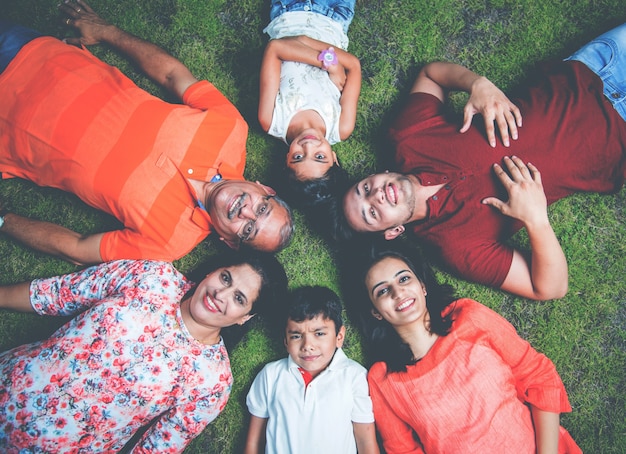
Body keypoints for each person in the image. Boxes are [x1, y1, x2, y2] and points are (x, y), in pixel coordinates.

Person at [338, 23, 626, 300]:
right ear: (394, 232)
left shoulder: (406, 138)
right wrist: (536, 219)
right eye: (371, 214)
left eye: (364, 189)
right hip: (618, 142)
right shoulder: (456, 247)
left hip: (596, 67)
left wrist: (478, 84)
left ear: (378, 174)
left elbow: (430, 74)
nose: (375, 196)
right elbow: (550, 288)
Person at [0, 0, 294, 265]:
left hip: (8, 138)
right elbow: (172, 75)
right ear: (265, 189)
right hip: (37, 58)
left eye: (248, 229)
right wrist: (106, 31)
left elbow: (79, 248)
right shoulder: (231, 129)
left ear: (230, 242)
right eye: (262, 208)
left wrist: (2, 221)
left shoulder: (168, 243)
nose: (245, 211)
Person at [0, 250, 287, 452]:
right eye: (226, 278)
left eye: (239, 298)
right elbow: (58, 293)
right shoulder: (153, 277)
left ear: (244, 318)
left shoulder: (212, 383)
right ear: (213, 271)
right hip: (7, 385)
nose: (220, 295)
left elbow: (154, 449)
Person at [347, 242, 581, 453]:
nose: (398, 293)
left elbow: (539, 376)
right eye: (383, 291)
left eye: (404, 279)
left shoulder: (468, 317)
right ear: (375, 312)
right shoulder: (383, 379)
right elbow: (403, 449)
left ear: (423, 286)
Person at [244, 286, 378, 454]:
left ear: (339, 337)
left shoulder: (354, 376)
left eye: (319, 334)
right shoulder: (271, 375)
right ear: (285, 341)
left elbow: (365, 441)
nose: (307, 346)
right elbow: (254, 442)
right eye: (296, 336)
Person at [259, 0, 361, 208]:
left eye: (298, 157)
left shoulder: (271, 119)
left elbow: (275, 48)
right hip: (334, 17)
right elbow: (354, 66)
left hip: (288, 12)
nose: (308, 146)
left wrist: (329, 62)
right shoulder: (341, 127)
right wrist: (332, 63)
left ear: (285, 161)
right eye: (320, 157)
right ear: (335, 159)